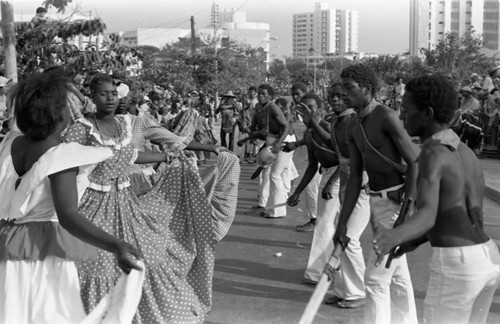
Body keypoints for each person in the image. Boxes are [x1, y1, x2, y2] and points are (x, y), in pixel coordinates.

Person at [64, 74, 217, 323]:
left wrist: (165, 157)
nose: (111, 98)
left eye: (114, 93)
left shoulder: (124, 126)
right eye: (103, 94)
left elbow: (132, 155)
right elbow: (63, 164)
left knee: (143, 257)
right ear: (92, 96)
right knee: (99, 265)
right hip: (94, 205)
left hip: (126, 202)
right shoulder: (80, 129)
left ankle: (139, 314)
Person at [0, 72, 142, 323]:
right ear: (61, 115)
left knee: (11, 312)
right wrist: (116, 246)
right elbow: (68, 215)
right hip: (44, 252)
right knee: (52, 315)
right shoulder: (62, 156)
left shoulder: (10, 145)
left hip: (7, 246)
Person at [373, 74, 500, 324]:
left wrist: (394, 236)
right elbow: (453, 211)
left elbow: (428, 214)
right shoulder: (463, 151)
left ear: (428, 113)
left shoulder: (431, 153)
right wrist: (414, 241)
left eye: (406, 110)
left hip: (457, 266)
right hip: (487, 258)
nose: (400, 117)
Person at [333, 64, 419, 324]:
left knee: (375, 277)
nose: (344, 94)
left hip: (398, 202)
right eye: (343, 88)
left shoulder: (386, 116)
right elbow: (356, 177)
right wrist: (343, 223)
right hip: (376, 201)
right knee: (397, 273)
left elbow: (415, 162)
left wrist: (407, 211)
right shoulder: (353, 126)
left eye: (350, 88)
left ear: (367, 89)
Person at [286, 93, 343, 284]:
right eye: (303, 107)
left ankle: (318, 272)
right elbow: (312, 166)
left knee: (325, 222)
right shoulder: (308, 134)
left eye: (311, 107)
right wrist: (297, 192)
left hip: (339, 174)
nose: (307, 111)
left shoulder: (326, 126)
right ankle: (333, 267)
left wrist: (331, 182)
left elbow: (340, 153)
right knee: (332, 223)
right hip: (328, 172)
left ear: (319, 108)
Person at [246, 84, 290, 218]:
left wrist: (278, 144)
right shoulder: (263, 108)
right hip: (271, 144)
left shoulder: (273, 107)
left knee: (275, 176)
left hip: (281, 144)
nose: (260, 96)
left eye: (263, 94)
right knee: (269, 175)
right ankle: (268, 207)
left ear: (270, 96)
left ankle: (278, 210)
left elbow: (286, 126)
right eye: (259, 94)